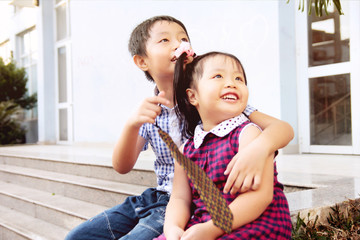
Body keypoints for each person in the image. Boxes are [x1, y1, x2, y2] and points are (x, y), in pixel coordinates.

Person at [65, 15, 293, 240]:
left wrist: (259, 148)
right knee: (77, 236)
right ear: (142, 61)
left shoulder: (214, 101)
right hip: (160, 198)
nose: (178, 44)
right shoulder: (150, 111)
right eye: (164, 40)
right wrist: (131, 124)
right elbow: (121, 166)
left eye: (183, 38)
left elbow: (281, 129)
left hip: (192, 200)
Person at [155, 51, 292, 240]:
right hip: (206, 223)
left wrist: (211, 229)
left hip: (253, 223)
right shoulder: (185, 151)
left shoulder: (249, 134)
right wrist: (173, 228)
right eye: (218, 76)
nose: (231, 83)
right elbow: (180, 198)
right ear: (193, 96)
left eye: (239, 78)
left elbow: (260, 197)